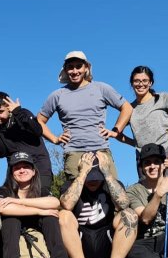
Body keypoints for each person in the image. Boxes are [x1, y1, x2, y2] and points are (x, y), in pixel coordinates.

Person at [37, 51, 133, 181]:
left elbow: (126, 108)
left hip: (101, 150)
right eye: (70, 67)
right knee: (75, 196)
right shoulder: (58, 95)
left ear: (86, 68)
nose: (74, 71)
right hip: (73, 152)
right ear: (65, 70)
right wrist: (55, 139)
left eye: (78, 66)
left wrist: (116, 131)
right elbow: (39, 120)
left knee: (113, 194)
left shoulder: (101, 88)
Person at [58, 152, 138, 258]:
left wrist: (106, 173)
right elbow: (66, 204)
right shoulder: (70, 184)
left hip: (105, 238)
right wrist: (83, 174)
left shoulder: (111, 183)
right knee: (64, 215)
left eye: (96, 177)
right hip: (80, 239)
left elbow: (124, 204)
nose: (93, 181)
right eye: (90, 177)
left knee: (129, 214)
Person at [0, 152, 68, 258]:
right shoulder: (3, 190)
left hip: (37, 229)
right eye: (17, 168)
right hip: (10, 234)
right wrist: (39, 211)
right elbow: (1, 208)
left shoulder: (42, 190)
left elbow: (55, 203)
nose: (22, 170)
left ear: (33, 171)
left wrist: (18, 202)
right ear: (11, 173)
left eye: (26, 167)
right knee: (11, 219)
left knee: (50, 217)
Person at [0, 92, 53, 195]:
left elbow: (37, 130)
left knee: (41, 197)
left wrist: (18, 112)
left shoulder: (22, 114)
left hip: (39, 168)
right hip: (17, 173)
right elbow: (0, 153)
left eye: (0, 111)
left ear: (8, 107)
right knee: (4, 197)